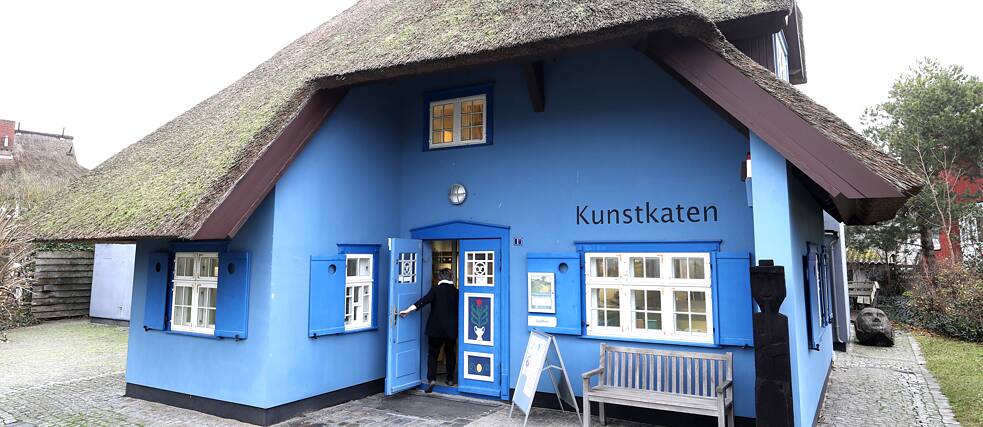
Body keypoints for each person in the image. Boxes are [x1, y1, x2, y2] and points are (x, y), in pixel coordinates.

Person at [399, 268, 458, 392]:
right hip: (451, 329)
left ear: (439, 278)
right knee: (450, 353)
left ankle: (431, 379)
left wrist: (407, 310)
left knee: (433, 353)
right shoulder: (456, 292)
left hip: (435, 328)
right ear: (451, 277)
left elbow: (423, 301)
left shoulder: (435, 290)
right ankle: (450, 378)